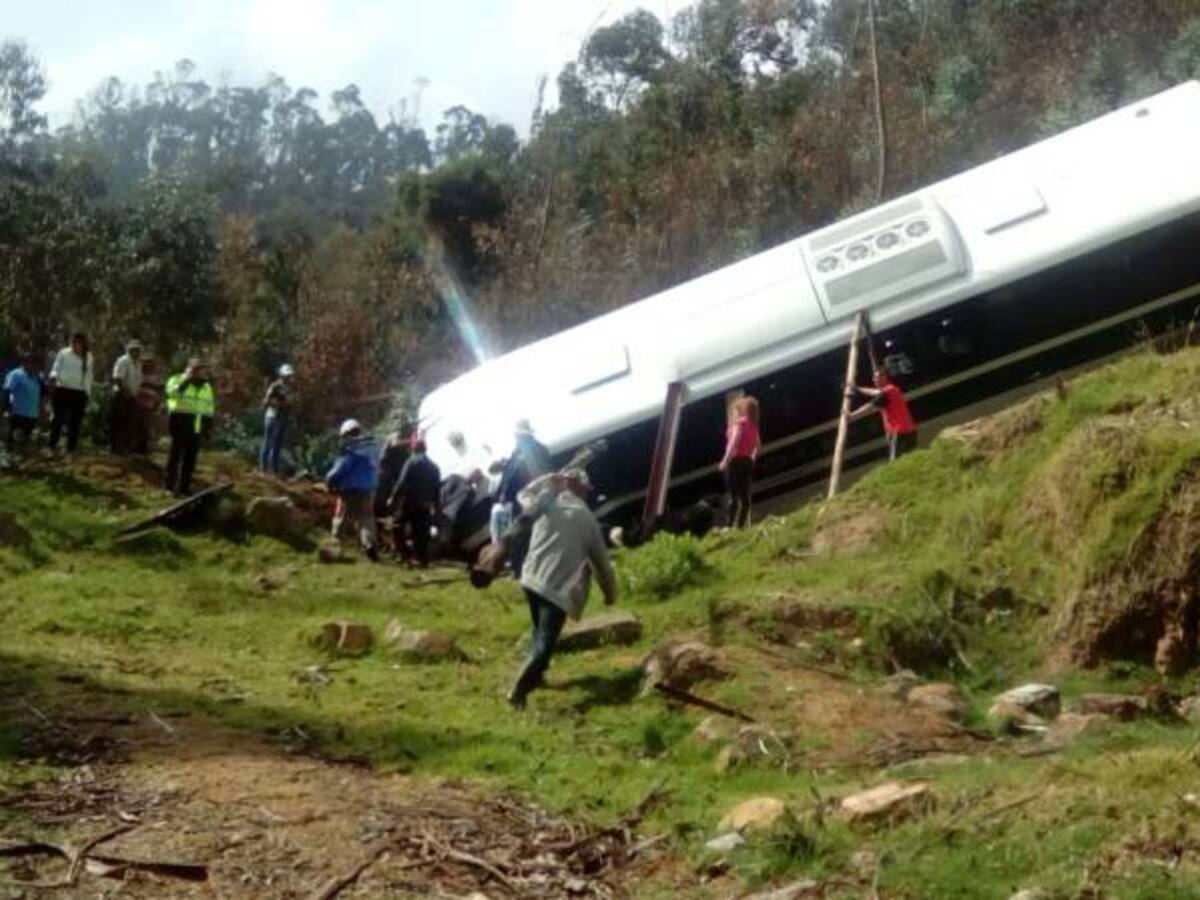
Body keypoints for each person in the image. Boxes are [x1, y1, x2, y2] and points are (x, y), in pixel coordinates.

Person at [507, 468, 618, 710]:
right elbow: (602, 563)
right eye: (586, 489)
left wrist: (548, 481)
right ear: (579, 488)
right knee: (546, 641)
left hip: (530, 580)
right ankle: (519, 689)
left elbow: (523, 493)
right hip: (556, 590)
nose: (588, 494)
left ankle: (538, 676)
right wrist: (610, 594)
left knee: (539, 631)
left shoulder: (545, 503)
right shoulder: (587, 518)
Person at [494, 419, 553, 575]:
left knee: (520, 535)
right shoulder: (540, 448)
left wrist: (503, 494)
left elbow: (512, 476)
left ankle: (519, 568)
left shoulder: (521, 451)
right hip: (541, 496)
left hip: (524, 499)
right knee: (539, 533)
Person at [325, 419, 380, 562]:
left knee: (341, 518)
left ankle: (334, 547)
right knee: (366, 519)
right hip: (368, 489)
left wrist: (329, 480)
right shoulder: (373, 447)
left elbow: (339, 470)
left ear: (346, 434)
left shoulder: (350, 450)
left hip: (349, 490)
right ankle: (369, 544)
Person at [164, 358, 216, 496]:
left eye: (200, 370)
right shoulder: (176, 379)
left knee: (190, 457)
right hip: (178, 419)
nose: (198, 372)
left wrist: (209, 425)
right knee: (176, 454)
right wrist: (186, 381)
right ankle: (169, 486)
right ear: (188, 368)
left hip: (196, 423)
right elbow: (171, 394)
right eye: (195, 369)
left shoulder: (206, 386)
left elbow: (209, 406)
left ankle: (184, 487)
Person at [389, 439, 442, 567]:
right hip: (425, 504)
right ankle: (421, 559)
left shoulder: (411, 462)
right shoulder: (435, 467)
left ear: (413, 449)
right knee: (421, 533)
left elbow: (402, 482)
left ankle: (405, 555)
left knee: (397, 526)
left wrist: (392, 497)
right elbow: (437, 488)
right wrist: (435, 504)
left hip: (409, 502)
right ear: (425, 449)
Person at [849, 368, 919, 461]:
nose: (873, 379)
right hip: (910, 430)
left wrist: (852, 415)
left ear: (884, 377)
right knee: (909, 460)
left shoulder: (887, 391)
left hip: (899, 432)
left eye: (876, 377)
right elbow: (872, 392)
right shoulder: (892, 390)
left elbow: (870, 405)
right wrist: (857, 388)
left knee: (895, 462)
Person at [718, 395, 761, 529]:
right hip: (747, 462)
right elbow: (758, 446)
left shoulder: (740, 424)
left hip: (735, 461)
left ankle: (730, 527)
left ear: (742, 411)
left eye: (736, 410)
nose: (734, 414)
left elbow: (734, 443)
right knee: (745, 498)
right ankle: (740, 527)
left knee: (733, 497)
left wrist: (725, 461)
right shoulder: (754, 426)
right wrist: (751, 458)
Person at [48, 332, 93, 453]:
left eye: (77, 342)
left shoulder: (88, 357)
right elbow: (56, 368)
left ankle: (70, 449)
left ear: (82, 343)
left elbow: (89, 376)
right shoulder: (63, 353)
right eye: (72, 342)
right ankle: (52, 446)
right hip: (63, 389)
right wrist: (53, 377)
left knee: (75, 423)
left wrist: (88, 393)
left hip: (79, 392)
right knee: (58, 419)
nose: (74, 344)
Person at [110, 340, 144, 454]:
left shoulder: (138, 364)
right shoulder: (123, 360)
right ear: (129, 350)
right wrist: (126, 393)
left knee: (129, 423)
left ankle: (124, 447)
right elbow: (118, 379)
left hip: (132, 397)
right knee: (119, 422)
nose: (136, 352)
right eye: (134, 349)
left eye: (138, 349)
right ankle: (116, 447)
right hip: (121, 395)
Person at [259, 363, 294, 474]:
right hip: (272, 417)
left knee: (277, 445)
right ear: (281, 375)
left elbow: (290, 403)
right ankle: (263, 470)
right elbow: (266, 402)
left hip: (283, 418)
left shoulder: (289, 388)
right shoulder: (275, 386)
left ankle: (274, 471)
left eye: (289, 376)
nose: (289, 378)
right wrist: (280, 404)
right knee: (268, 443)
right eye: (286, 376)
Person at [3, 354, 43, 452]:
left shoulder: (37, 376)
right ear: (25, 362)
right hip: (18, 413)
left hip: (32, 414)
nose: (34, 366)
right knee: (12, 439)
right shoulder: (16, 374)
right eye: (32, 363)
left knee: (25, 439)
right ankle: (8, 458)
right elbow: (7, 390)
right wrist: (7, 408)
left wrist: (42, 409)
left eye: (36, 364)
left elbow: (42, 393)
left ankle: (20, 459)